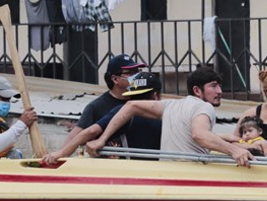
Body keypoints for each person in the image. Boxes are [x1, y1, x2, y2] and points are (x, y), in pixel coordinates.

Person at [86, 67, 254, 167]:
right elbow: (199, 134)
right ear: (197, 90)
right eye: (214, 86)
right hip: (190, 175)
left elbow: (131, 106)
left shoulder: (173, 105)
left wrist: (102, 140)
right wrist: (235, 151)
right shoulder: (205, 107)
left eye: (219, 86)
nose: (220, 91)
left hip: (166, 172)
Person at [42, 72, 163, 165]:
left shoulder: (123, 111)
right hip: (162, 172)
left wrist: (62, 153)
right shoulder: (168, 112)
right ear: (155, 95)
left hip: (132, 172)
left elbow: (91, 131)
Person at [61, 54, 145, 149]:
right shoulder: (96, 107)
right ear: (115, 79)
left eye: (137, 72)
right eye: (130, 73)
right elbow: (75, 136)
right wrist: (60, 154)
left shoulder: (143, 101)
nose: (136, 76)